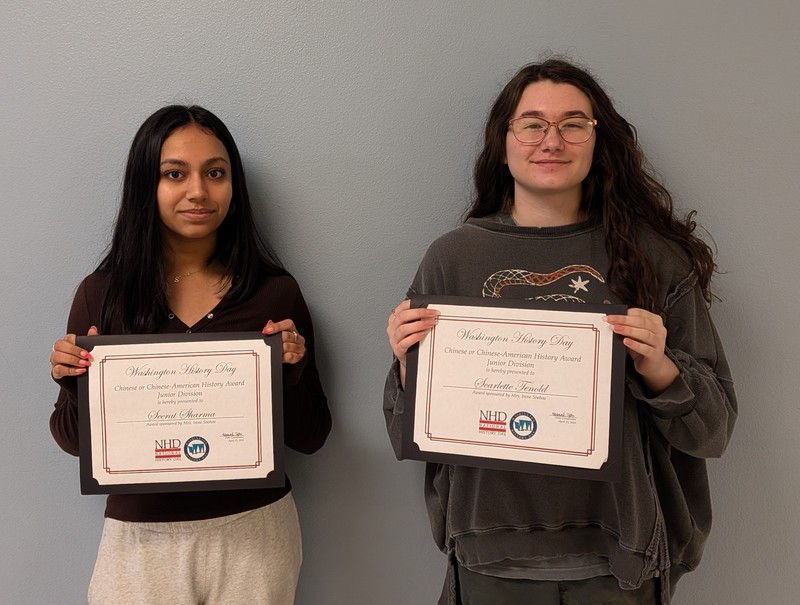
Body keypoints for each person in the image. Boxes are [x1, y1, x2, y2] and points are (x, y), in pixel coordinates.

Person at [384, 59, 736, 605]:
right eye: (532, 124)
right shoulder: (452, 258)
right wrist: (411, 367)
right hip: (489, 553)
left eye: (573, 124)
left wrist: (660, 367)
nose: (552, 139)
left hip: (620, 556)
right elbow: (411, 434)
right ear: (503, 142)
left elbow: (713, 431)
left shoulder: (654, 259)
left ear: (599, 141)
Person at [49, 105, 331, 605]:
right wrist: (74, 382)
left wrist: (293, 369)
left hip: (256, 532)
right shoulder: (101, 295)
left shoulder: (275, 295)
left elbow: (313, 437)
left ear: (233, 186)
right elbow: (73, 442)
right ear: (145, 186)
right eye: (174, 174)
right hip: (139, 540)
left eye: (215, 173)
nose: (198, 191)